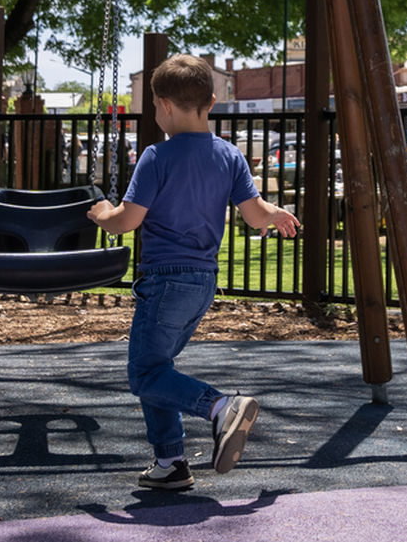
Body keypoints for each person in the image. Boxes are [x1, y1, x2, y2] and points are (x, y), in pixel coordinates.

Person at [85, 54, 301, 491]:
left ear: (163, 106)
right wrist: (276, 211)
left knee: (145, 375)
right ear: (212, 101)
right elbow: (255, 215)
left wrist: (103, 214)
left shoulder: (156, 156)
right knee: (158, 368)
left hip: (165, 280)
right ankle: (170, 461)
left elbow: (128, 220)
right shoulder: (229, 155)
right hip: (203, 281)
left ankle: (220, 406)